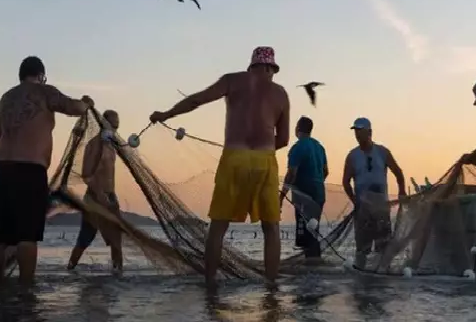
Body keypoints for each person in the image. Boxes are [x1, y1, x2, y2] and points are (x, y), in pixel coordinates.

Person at [149, 46, 290, 288]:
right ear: (269, 67)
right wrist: (262, 148)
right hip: (265, 162)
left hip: (235, 158)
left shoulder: (232, 80)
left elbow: (196, 100)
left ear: (253, 65)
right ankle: (271, 287)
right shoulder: (281, 94)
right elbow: (285, 139)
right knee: (271, 227)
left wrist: (167, 114)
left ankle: (210, 284)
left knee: (218, 226)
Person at [0, 56, 94, 286]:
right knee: (27, 235)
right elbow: (73, 107)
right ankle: (26, 293)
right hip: (30, 170)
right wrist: (86, 103)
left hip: (2, 169)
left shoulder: (5, 98)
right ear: (41, 75)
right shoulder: (45, 92)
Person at [341, 117, 407, 270]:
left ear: (369, 132)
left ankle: (382, 276)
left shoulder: (383, 152)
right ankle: (362, 275)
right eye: (355, 131)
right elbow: (346, 182)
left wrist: (401, 191)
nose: (357, 135)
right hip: (363, 209)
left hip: (381, 207)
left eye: (360, 131)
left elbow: (398, 173)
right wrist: (355, 200)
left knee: (383, 245)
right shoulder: (352, 156)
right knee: (362, 247)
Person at [67, 109, 123, 275]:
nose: (115, 129)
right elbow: (86, 175)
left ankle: (118, 275)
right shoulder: (93, 145)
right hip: (94, 199)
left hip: (111, 197)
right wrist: (99, 195)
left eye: (117, 127)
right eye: (112, 125)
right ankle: (70, 270)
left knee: (116, 241)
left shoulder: (113, 145)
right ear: (103, 123)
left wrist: (109, 197)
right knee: (85, 239)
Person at [279, 116, 328, 261]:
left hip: (304, 196)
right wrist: (316, 183)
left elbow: (291, 174)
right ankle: (314, 266)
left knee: (306, 233)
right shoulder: (319, 147)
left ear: (297, 129)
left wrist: (281, 196)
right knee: (313, 230)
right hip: (319, 195)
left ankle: (311, 271)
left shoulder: (298, 147)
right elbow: (325, 171)